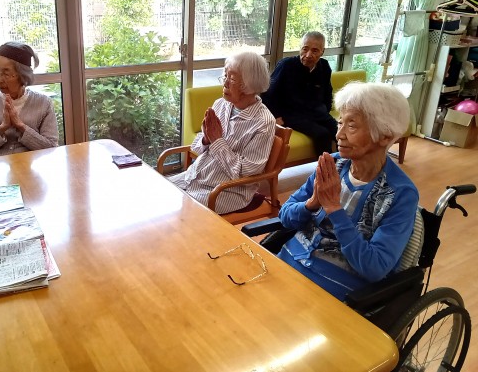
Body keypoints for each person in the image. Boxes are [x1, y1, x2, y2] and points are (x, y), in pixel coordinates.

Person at [276, 82, 418, 301]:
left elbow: (375, 267)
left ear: (385, 136)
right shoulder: (333, 165)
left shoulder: (400, 193)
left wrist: (334, 209)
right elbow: (285, 216)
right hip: (286, 264)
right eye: (340, 122)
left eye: (351, 126)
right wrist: (312, 203)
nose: (339, 134)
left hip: (332, 289)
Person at [168, 52, 276, 214]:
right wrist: (206, 139)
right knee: (156, 191)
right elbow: (196, 148)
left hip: (225, 192)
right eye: (225, 75)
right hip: (194, 177)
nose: (224, 83)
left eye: (231, 78)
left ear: (249, 84)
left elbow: (246, 175)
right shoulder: (221, 104)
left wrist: (217, 140)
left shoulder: (264, 122)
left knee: (175, 209)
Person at [0, 41, 59, 159]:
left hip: (30, 167)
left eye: (6, 74)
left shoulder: (44, 103)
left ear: (23, 75)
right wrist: (1, 129)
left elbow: (51, 148)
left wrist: (21, 127)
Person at [261, 31, 337, 156]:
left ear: (322, 52)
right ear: (300, 48)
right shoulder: (286, 65)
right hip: (293, 115)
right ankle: (327, 167)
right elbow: (268, 93)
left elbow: (327, 92)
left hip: (318, 113)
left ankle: (345, 164)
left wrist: (325, 109)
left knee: (340, 132)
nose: (308, 55)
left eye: (315, 51)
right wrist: (275, 115)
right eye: (305, 49)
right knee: (322, 134)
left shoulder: (324, 66)